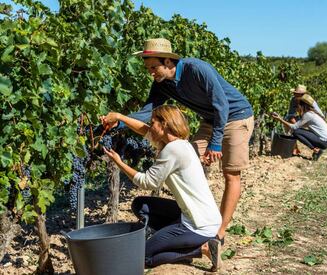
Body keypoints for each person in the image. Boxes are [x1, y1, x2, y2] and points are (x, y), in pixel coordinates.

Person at [101, 38, 254, 244]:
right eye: (148, 68)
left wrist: (215, 142)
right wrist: (117, 124)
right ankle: (196, 221)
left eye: (154, 67)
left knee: (230, 173)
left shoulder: (197, 69)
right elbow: (147, 112)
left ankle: (219, 234)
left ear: (169, 62)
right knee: (187, 159)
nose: (151, 73)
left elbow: (221, 104)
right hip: (210, 119)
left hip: (236, 115)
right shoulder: (162, 84)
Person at [102, 105, 223, 271]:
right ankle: (172, 240)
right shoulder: (181, 144)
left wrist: (119, 163)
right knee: (140, 205)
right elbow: (144, 131)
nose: (150, 127)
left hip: (199, 225)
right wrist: (119, 116)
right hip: (202, 215)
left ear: (164, 124)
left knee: (142, 257)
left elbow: (147, 182)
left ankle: (201, 249)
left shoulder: (172, 150)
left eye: (153, 123)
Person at [272, 94, 327, 161]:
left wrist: (280, 119)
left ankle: (315, 150)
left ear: (301, 106)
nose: (296, 109)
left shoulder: (308, 115)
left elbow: (294, 127)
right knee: (298, 131)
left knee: (296, 132)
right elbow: (301, 125)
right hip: (326, 140)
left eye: (297, 106)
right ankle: (297, 149)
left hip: (324, 141)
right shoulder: (311, 113)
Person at [284, 84, 324, 155]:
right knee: (288, 123)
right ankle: (295, 148)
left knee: (299, 129)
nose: (295, 95)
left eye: (297, 94)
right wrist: (295, 123)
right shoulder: (293, 100)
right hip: (304, 118)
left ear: (303, 94)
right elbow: (291, 115)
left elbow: (319, 114)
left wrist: (300, 124)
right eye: (295, 93)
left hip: (313, 119)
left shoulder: (309, 101)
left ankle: (316, 148)